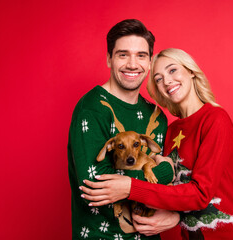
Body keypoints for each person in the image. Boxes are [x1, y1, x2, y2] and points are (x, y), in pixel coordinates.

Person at [81, 48, 233, 239]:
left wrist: (131, 188)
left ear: (190, 71)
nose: (166, 81)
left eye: (172, 70)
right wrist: (175, 218)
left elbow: (200, 193)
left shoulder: (215, 120)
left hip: (229, 234)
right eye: (158, 79)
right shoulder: (172, 130)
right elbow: (172, 190)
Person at [68, 20, 178, 240]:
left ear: (149, 63)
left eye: (140, 55)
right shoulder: (91, 109)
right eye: (122, 55)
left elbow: (172, 189)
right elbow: (95, 185)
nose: (132, 64)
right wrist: (166, 171)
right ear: (109, 59)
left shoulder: (156, 116)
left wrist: (175, 216)